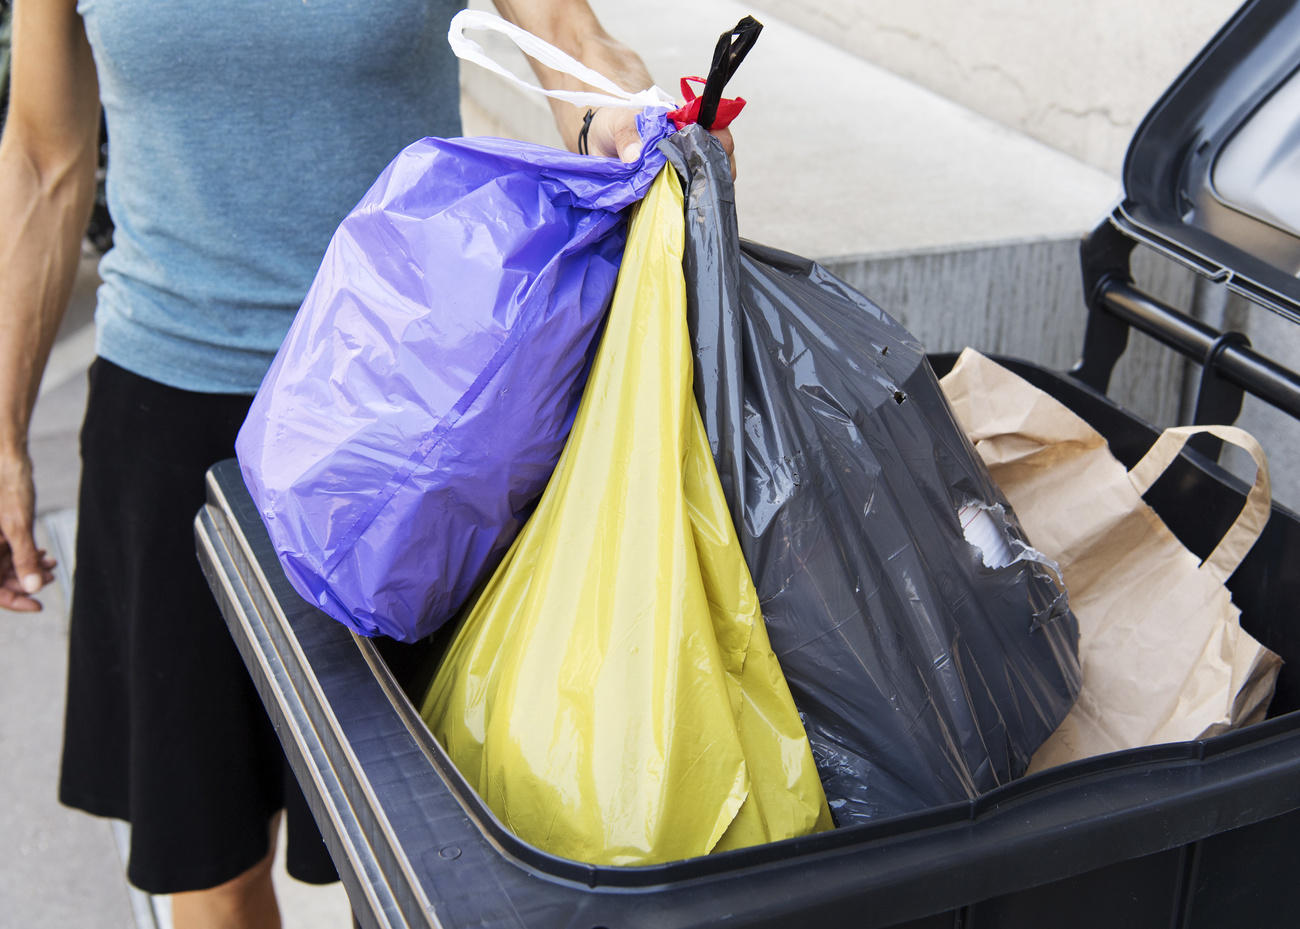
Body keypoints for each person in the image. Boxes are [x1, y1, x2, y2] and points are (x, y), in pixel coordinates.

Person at [0, 2, 733, 927]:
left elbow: (563, 33)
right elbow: (40, 155)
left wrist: (623, 115)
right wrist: (1, 434)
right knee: (210, 861)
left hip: (421, 428)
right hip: (172, 410)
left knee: (424, 866)